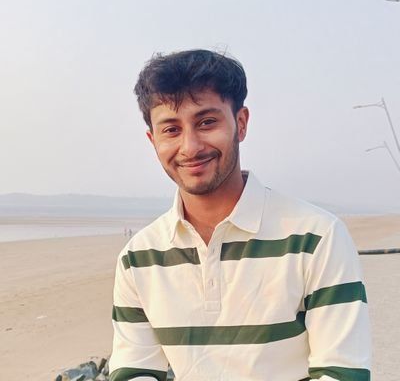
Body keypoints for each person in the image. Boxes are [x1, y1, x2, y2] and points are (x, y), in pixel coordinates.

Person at [109, 50, 371, 381]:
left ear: (241, 123)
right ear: (153, 140)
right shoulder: (138, 258)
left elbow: (343, 372)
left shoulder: (317, 238)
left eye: (206, 122)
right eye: (171, 130)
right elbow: (135, 371)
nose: (190, 147)